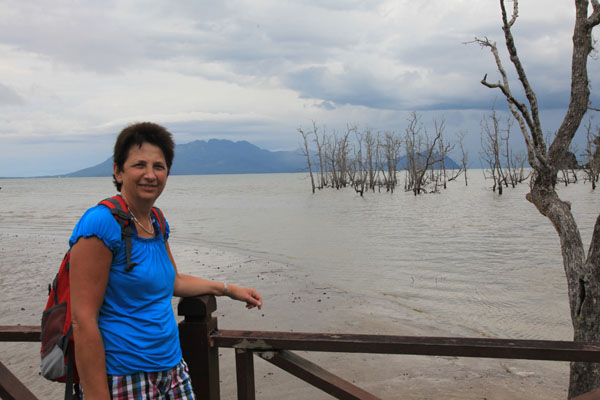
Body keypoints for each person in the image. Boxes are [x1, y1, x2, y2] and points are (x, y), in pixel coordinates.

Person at [69, 122, 263, 399]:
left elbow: (173, 279)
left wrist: (229, 289)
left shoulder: (156, 221)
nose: (150, 175)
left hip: (172, 369)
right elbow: (83, 319)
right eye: (139, 165)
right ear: (118, 171)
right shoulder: (101, 223)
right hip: (123, 375)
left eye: (158, 167)